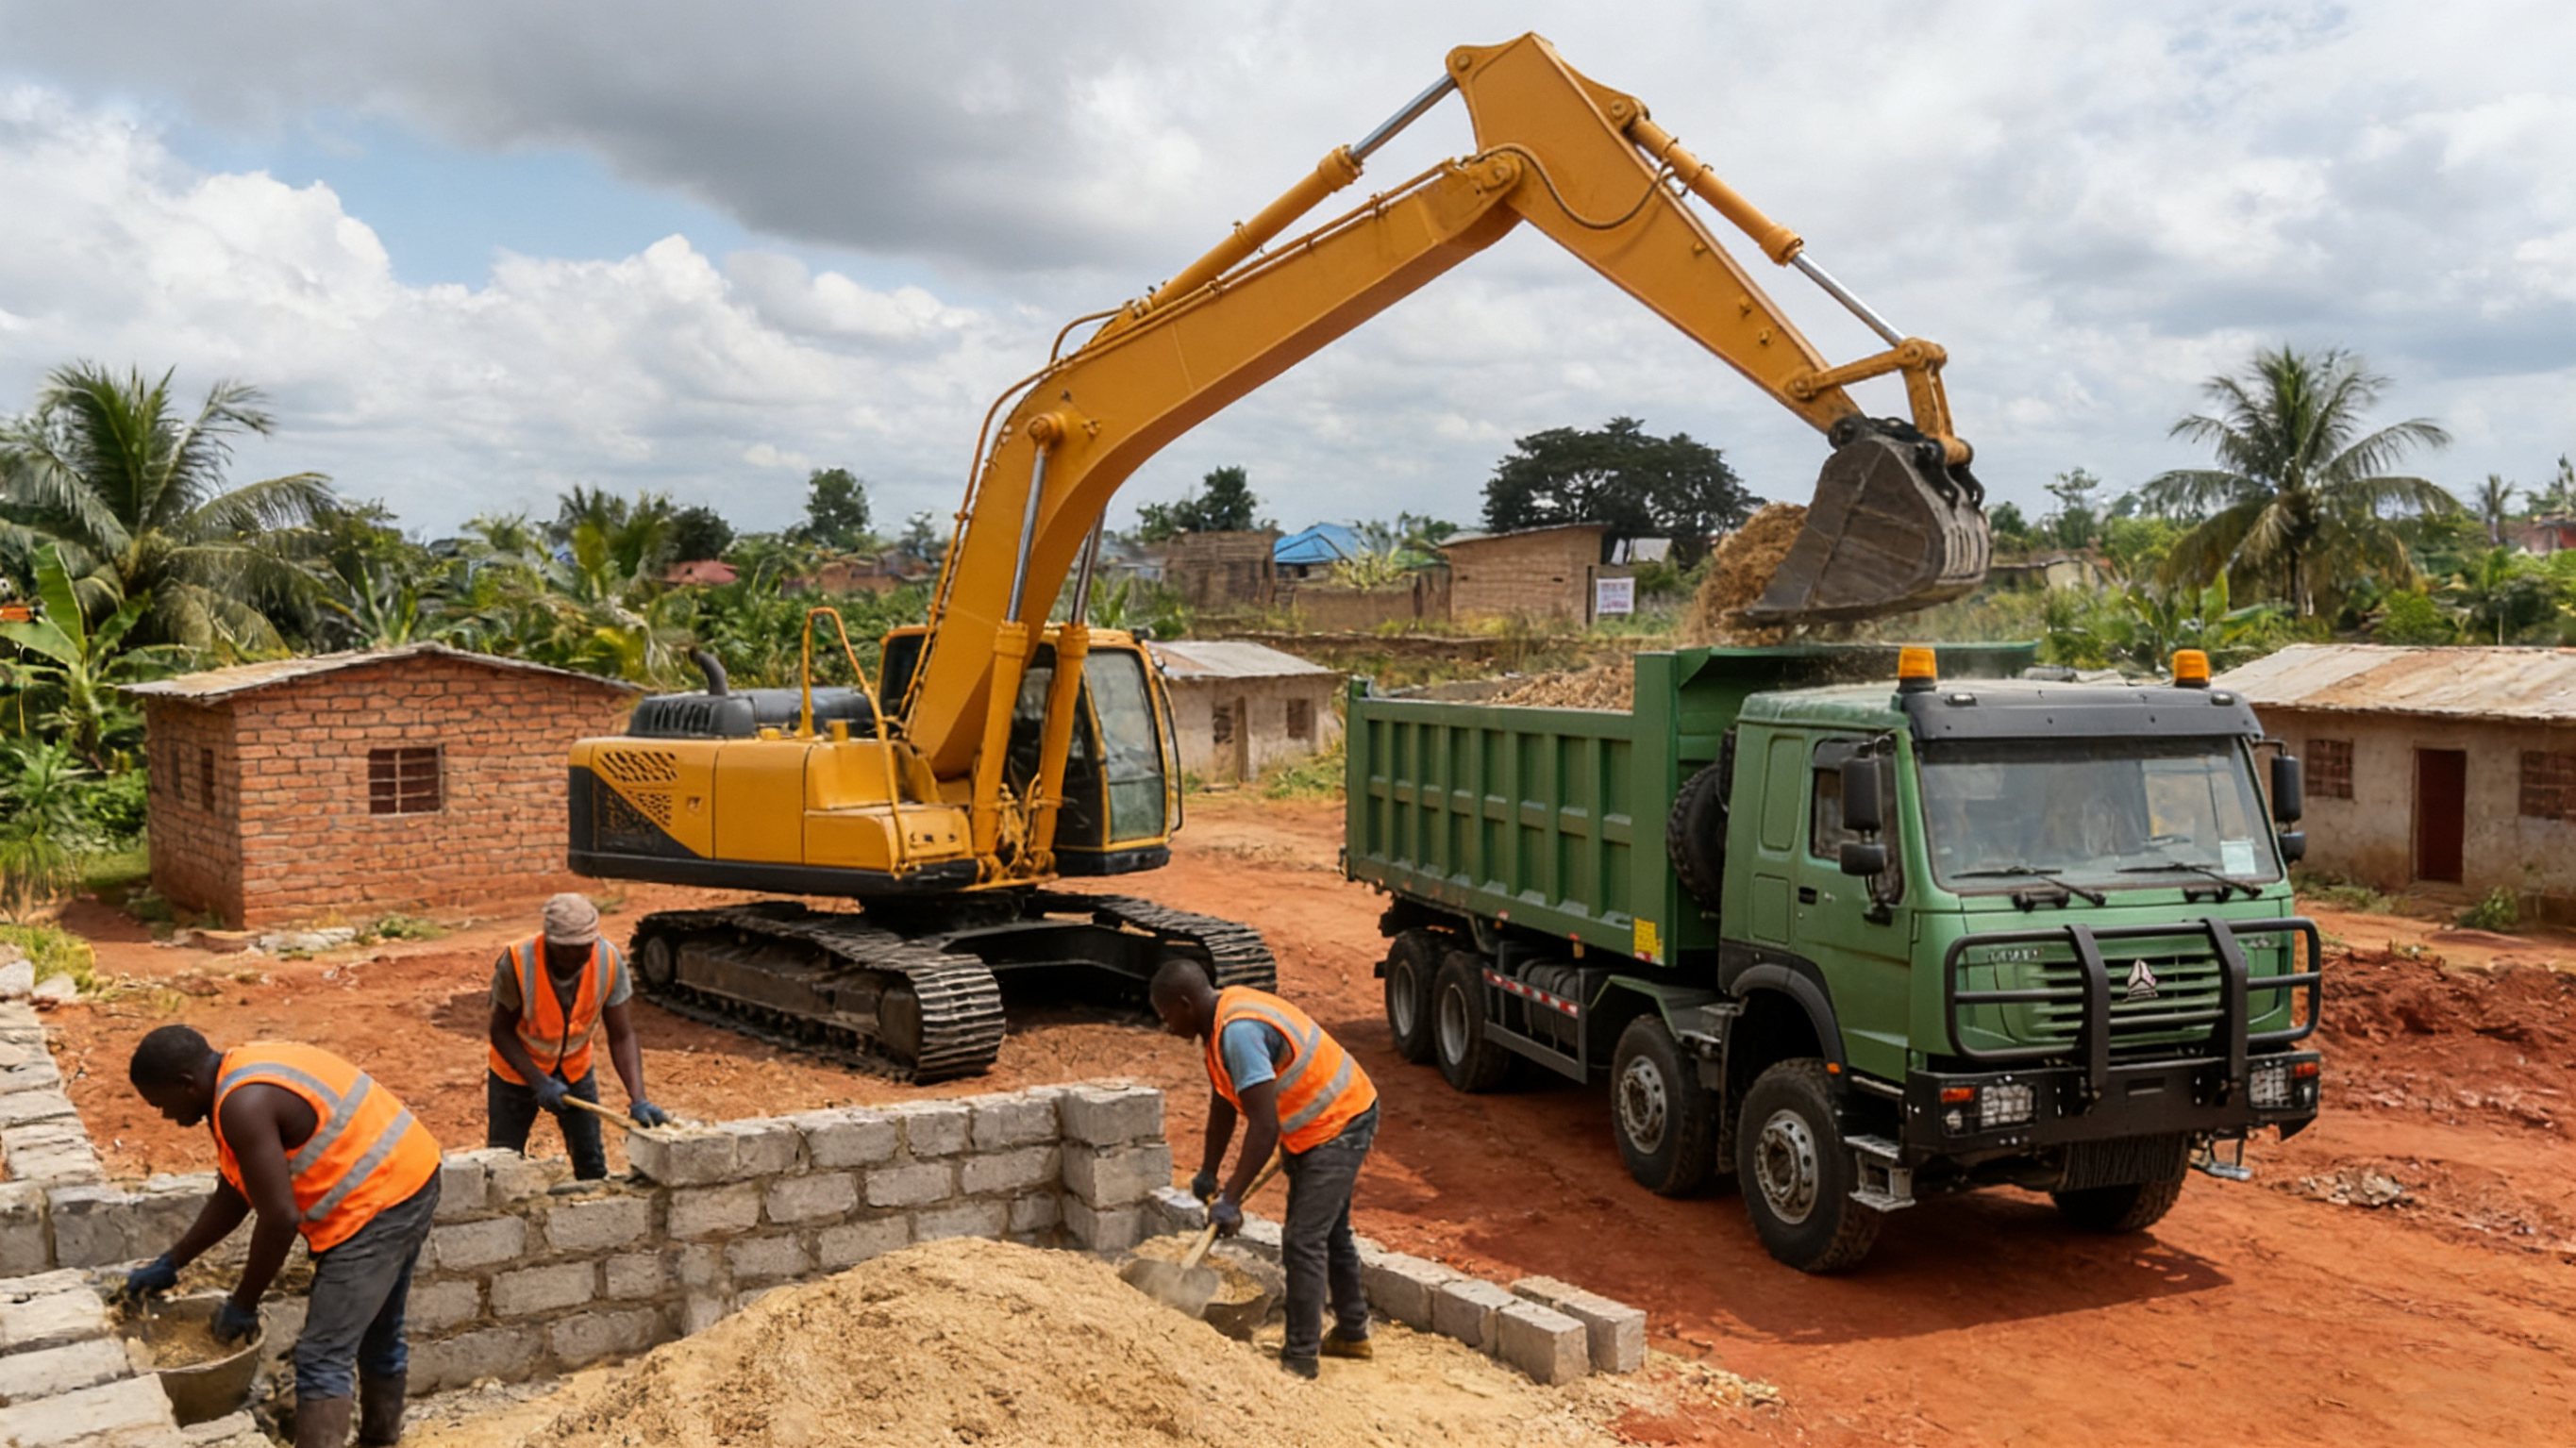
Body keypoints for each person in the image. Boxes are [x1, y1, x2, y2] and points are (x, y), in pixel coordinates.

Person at [124, 1024, 441, 1448]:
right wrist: (172, 1262)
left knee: (322, 1357)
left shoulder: (243, 1105)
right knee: (376, 1332)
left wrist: (244, 1302)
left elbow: (279, 1219)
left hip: (379, 1205)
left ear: (187, 1084)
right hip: (409, 1172)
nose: (164, 1116)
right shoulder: (236, 1078)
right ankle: (381, 1440)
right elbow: (235, 1194)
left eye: (161, 1104)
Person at [1149, 957, 1380, 1380]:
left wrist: (1231, 1200)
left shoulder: (1237, 1032)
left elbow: (1265, 1125)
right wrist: (1209, 1172)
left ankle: (1300, 1360)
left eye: (1166, 1017)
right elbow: (1224, 1102)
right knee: (1331, 1231)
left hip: (1339, 1120)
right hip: (1314, 1124)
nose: (1167, 1028)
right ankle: (1352, 1334)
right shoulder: (1218, 1026)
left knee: (1303, 1239)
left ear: (1185, 1004)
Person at [487, 892, 666, 1178]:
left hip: (575, 1068)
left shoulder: (608, 960)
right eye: (567, 950)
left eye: (584, 947)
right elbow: (500, 1031)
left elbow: (622, 1035)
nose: (577, 956)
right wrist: (538, 1081)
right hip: (517, 1072)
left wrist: (638, 1098)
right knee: (502, 1164)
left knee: (591, 1164)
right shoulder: (518, 962)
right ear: (550, 942)